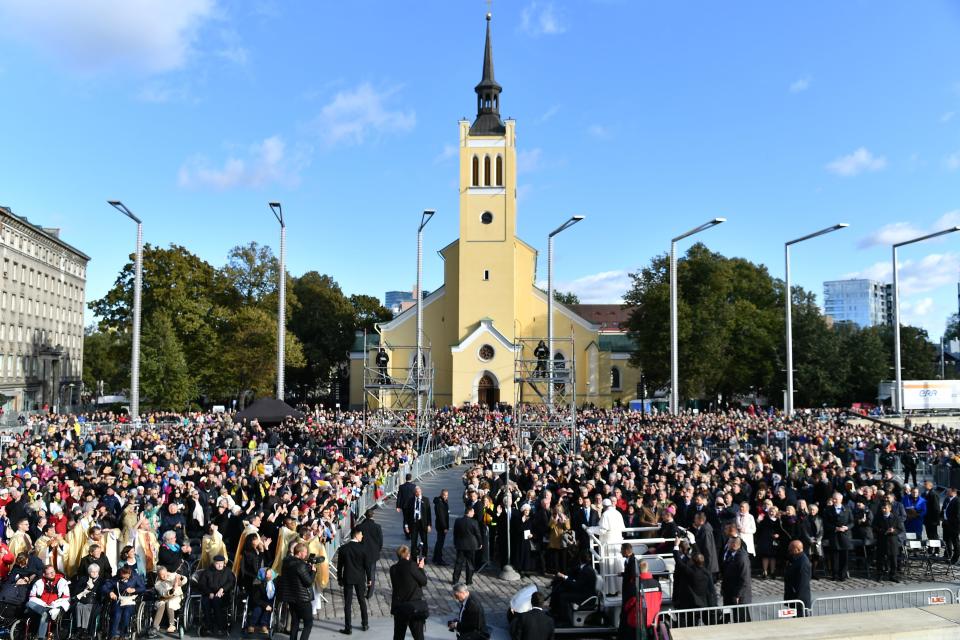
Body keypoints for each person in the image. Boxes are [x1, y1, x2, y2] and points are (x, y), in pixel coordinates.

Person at [278, 543, 317, 640]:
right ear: (299, 553)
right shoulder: (300, 565)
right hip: (302, 598)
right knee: (308, 623)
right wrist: (313, 571)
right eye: (305, 552)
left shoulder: (286, 562)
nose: (306, 554)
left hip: (291, 598)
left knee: (295, 622)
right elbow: (308, 582)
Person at [389, 545, 428, 640]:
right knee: (418, 636)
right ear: (408, 555)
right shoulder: (411, 566)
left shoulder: (393, 568)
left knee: (398, 636)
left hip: (399, 607)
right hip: (413, 607)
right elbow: (423, 581)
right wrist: (421, 568)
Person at [336, 527, 370, 634]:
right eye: (361, 534)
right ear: (356, 535)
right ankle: (365, 623)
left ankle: (348, 627)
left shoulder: (344, 549)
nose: (362, 536)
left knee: (348, 603)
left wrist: (339, 578)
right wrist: (369, 578)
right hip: (360, 578)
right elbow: (367, 566)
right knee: (361, 601)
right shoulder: (363, 548)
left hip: (348, 577)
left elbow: (340, 565)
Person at [551, 552, 598, 626]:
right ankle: (557, 613)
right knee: (562, 591)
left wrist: (564, 577)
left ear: (580, 560)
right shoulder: (585, 568)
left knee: (563, 596)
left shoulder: (586, 571)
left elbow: (576, 585)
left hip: (585, 596)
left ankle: (564, 620)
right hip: (584, 592)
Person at [26, 564, 70, 640]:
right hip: (41, 605)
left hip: (54, 606)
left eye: (53, 571)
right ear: (44, 574)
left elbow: (66, 597)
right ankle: (45, 611)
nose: (52, 574)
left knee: (44, 615)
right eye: (49, 573)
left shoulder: (62, 582)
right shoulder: (39, 582)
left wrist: (54, 604)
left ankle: (41, 638)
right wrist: (43, 604)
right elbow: (32, 597)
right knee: (28, 603)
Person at [102, 564, 146, 640]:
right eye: (123, 575)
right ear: (121, 573)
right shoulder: (116, 578)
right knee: (116, 614)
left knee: (126, 614)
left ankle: (123, 635)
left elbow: (143, 588)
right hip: (119, 600)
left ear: (130, 573)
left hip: (130, 600)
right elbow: (104, 587)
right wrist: (110, 592)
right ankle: (112, 635)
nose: (125, 576)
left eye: (127, 575)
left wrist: (134, 590)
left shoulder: (135, 577)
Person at [197, 554, 236, 636]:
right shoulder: (207, 571)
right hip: (209, 594)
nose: (220, 565)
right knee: (206, 603)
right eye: (218, 563)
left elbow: (231, 582)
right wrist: (209, 592)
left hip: (223, 595)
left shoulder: (228, 571)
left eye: (221, 563)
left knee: (217, 601)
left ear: (224, 563)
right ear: (214, 563)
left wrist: (222, 589)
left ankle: (220, 627)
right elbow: (202, 584)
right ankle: (208, 627)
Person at [71, 561, 105, 639]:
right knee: (78, 606)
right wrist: (85, 587)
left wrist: (93, 588)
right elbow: (76, 590)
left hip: (95, 601)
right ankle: (79, 629)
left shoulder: (101, 580)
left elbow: (102, 592)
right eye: (92, 572)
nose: (94, 573)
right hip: (83, 599)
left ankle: (86, 630)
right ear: (89, 572)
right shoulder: (83, 579)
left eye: (96, 572)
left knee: (86, 608)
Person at [720, 537, 751, 622]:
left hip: (738, 596)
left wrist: (738, 595)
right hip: (729, 592)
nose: (727, 545)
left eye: (729, 543)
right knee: (727, 614)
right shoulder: (731, 554)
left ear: (734, 545)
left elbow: (744, 578)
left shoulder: (741, 558)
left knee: (741, 618)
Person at [823, 492, 853, 581]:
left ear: (841, 500)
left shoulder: (847, 508)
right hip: (834, 535)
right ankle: (834, 574)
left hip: (845, 536)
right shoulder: (828, 509)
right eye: (833, 498)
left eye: (835, 499)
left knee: (844, 556)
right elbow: (825, 523)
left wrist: (846, 527)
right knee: (834, 556)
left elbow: (852, 522)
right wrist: (835, 528)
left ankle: (842, 575)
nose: (834, 500)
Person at [150, 565, 185, 636]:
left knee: (170, 603)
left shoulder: (172, 575)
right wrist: (174, 588)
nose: (164, 576)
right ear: (158, 576)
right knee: (162, 604)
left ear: (167, 572)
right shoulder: (158, 584)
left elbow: (184, 580)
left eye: (165, 574)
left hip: (176, 597)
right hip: (165, 597)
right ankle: (155, 627)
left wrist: (179, 578)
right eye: (161, 575)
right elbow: (164, 593)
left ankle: (172, 625)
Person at [453, 505, 483, 586]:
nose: (474, 513)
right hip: (471, 546)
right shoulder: (474, 522)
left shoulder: (458, 521)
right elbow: (478, 534)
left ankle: (455, 580)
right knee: (470, 564)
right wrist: (480, 543)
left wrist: (455, 543)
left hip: (460, 545)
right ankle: (468, 581)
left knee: (458, 563)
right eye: (473, 512)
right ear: (469, 512)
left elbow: (455, 533)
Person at [874, 501, 904, 581]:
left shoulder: (895, 517)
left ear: (890, 509)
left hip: (892, 542)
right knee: (880, 559)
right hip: (882, 541)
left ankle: (893, 575)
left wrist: (893, 531)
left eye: (885, 508)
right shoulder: (878, 517)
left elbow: (900, 529)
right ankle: (879, 574)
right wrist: (884, 531)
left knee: (893, 560)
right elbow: (874, 528)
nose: (883, 510)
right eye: (882, 508)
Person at [356, 510, 383, 598]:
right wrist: (377, 550)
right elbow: (380, 541)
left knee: (362, 572)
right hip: (373, 553)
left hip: (361, 552)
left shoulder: (360, 526)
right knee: (371, 573)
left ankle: (362, 589)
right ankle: (370, 593)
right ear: (372, 516)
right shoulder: (377, 527)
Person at [782, 540, 811, 615]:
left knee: (801, 618)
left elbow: (803, 584)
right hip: (794, 597)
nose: (789, 551)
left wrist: (798, 601)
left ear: (796, 549)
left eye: (790, 550)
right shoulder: (796, 558)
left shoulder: (803, 563)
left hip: (799, 600)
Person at [403, 487, 431, 563]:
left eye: (419, 492)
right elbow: (407, 514)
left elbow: (429, 514)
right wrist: (406, 525)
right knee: (413, 541)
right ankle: (414, 558)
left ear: (421, 492)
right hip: (414, 523)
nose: (418, 493)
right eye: (416, 492)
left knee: (424, 541)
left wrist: (429, 525)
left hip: (423, 524)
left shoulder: (426, 500)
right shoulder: (410, 500)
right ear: (414, 493)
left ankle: (424, 557)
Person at [246, 567, 276, 635]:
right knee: (258, 609)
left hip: (269, 602)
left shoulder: (273, 583)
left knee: (268, 609)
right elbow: (256, 598)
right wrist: (265, 605)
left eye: (270, 574)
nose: (269, 575)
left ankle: (264, 626)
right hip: (258, 602)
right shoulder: (257, 582)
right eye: (267, 574)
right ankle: (251, 625)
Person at [433, 490, 450, 565]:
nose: (446, 496)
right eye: (444, 495)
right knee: (440, 543)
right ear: (441, 494)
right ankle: (438, 559)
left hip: (440, 525)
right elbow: (441, 516)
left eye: (447, 495)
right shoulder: (440, 503)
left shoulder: (443, 501)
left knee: (439, 542)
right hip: (441, 526)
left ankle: (435, 557)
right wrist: (445, 527)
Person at [943, 487, 960, 564]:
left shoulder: (957, 500)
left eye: (948, 491)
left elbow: (957, 515)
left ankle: (955, 558)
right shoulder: (948, 499)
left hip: (954, 526)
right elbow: (945, 510)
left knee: (955, 543)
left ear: (953, 492)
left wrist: (953, 525)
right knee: (948, 541)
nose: (947, 492)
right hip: (947, 524)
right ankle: (948, 555)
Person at [922, 480, 942, 546]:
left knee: (934, 535)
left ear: (930, 486)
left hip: (933, 519)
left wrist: (936, 520)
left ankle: (936, 549)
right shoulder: (924, 494)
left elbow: (936, 508)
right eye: (924, 484)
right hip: (927, 518)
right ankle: (931, 548)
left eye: (925, 484)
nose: (924, 485)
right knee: (929, 534)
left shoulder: (934, 494)